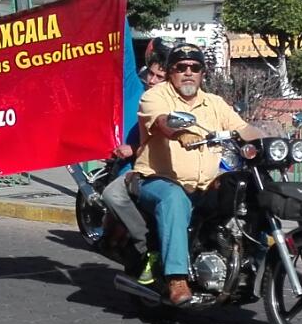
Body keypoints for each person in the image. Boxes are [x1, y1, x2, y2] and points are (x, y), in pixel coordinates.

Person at [133, 44, 247, 306]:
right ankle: (176, 278)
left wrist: (273, 144)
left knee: (244, 192)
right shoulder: (155, 96)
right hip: (156, 180)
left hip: (204, 186)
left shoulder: (214, 103)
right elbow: (161, 121)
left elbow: (243, 128)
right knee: (174, 198)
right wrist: (180, 133)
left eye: (194, 68)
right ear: (171, 71)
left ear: (202, 73)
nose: (188, 73)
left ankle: (253, 260)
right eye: (181, 67)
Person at [101, 38, 169, 283]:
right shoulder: (135, 93)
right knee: (114, 194)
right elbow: (125, 57)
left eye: (159, 77)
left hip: (168, 172)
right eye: (151, 74)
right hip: (133, 170)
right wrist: (122, 14)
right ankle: (147, 245)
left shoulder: (178, 104)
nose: (152, 80)